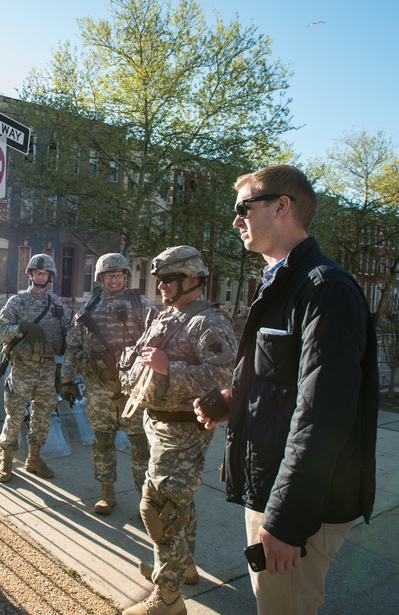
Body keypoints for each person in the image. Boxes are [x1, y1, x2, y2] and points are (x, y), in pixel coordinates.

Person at [195, 164, 379, 615]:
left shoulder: (324, 289)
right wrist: (230, 404)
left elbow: (323, 414)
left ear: (282, 206)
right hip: (273, 481)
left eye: (243, 208)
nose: (235, 221)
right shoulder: (281, 280)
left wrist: (286, 519)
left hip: (299, 503)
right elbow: (276, 377)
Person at [120, 245, 237, 615]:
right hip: (157, 423)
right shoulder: (169, 316)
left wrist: (169, 366)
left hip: (184, 429)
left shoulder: (208, 322)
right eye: (160, 280)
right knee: (179, 503)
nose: (162, 286)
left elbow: (225, 377)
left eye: (168, 279)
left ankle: (167, 598)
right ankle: (181, 568)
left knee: (160, 508)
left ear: (190, 279)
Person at [61, 253, 157, 515]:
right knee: (103, 441)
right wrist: (67, 380)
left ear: (125, 276)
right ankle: (107, 493)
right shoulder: (89, 309)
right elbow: (73, 346)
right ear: (100, 279)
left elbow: (160, 341)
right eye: (108, 275)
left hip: (133, 390)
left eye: (118, 274)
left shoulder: (143, 306)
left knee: (140, 445)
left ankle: (145, 499)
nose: (114, 279)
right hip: (99, 389)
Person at [0, 253, 72, 483]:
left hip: (48, 368)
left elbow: (70, 332)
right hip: (23, 368)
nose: (41, 276)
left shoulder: (57, 304)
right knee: (15, 415)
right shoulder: (17, 302)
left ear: (51, 276)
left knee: (43, 416)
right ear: (30, 274)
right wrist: (22, 327)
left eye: (45, 272)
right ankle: (6, 461)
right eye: (37, 272)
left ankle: (34, 459)